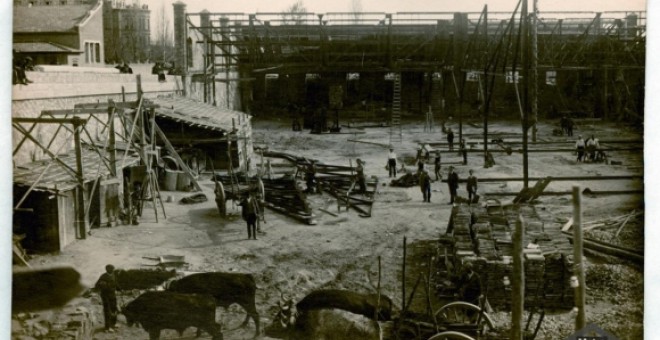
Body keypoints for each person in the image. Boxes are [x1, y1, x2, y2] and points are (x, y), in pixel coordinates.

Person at [95, 264, 119, 332]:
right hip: (105, 296)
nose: (113, 270)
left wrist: (119, 289)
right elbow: (97, 285)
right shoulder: (103, 276)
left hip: (113, 295)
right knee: (107, 311)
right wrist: (103, 285)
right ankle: (107, 327)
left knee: (114, 309)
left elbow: (116, 283)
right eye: (112, 269)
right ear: (107, 269)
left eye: (113, 269)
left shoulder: (113, 275)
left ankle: (113, 324)